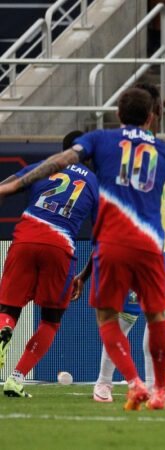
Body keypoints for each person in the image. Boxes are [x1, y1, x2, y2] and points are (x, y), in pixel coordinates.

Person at [0, 88, 165, 410]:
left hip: (101, 242)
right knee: (157, 317)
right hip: (151, 244)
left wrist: (15, 185)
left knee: (107, 317)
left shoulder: (100, 140)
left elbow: (61, 161)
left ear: (117, 114)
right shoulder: (161, 152)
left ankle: (130, 382)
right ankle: (157, 390)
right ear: (152, 116)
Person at [70, 83, 165, 403]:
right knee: (125, 317)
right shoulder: (119, 156)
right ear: (150, 114)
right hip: (130, 243)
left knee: (157, 317)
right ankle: (104, 382)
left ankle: (154, 386)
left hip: (158, 247)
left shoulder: (157, 152)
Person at [0, 131, 99, 398]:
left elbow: (6, 185)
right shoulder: (95, 184)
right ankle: (16, 378)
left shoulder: (44, 167)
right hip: (60, 245)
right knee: (51, 320)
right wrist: (84, 276)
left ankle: (4, 328)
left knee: (9, 307)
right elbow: (103, 238)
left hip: (27, 234)